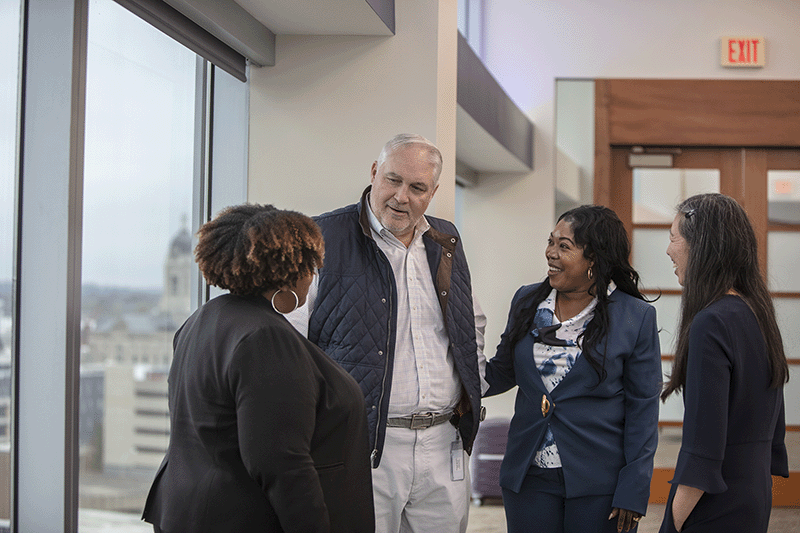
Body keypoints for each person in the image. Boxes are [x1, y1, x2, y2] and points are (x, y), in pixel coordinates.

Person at [288, 133, 487, 533]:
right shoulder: (321, 237)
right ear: (375, 172)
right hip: (364, 447)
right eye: (393, 180)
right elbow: (291, 344)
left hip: (443, 442)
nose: (401, 197)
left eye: (417, 188)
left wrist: (474, 386)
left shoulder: (445, 240)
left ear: (432, 193)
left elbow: (470, 322)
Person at [142, 204, 375, 533]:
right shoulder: (266, 338)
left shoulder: (202, 319)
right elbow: (282, 465)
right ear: (291, 271)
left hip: (189, 513)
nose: (314, 276)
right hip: (242, 519)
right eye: (312, 266)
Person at [484, 205, 662, 533]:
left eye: (564, 246)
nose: (550, 253)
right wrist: (453, 369)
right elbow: (501, 371)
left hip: (600, 483)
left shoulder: (633, 316)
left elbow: (643, 410)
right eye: (551, 242)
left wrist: (634, 488)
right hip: (528, 476)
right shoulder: (526, 301)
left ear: (594, 258)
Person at [659, 193, 789, 533]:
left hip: (714, 505)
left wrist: (671, 526)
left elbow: (703, 451)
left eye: (674, 238)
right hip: (753, 497)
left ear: (700, 246)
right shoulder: (757, 313)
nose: (669, 250)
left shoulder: (711, 322)